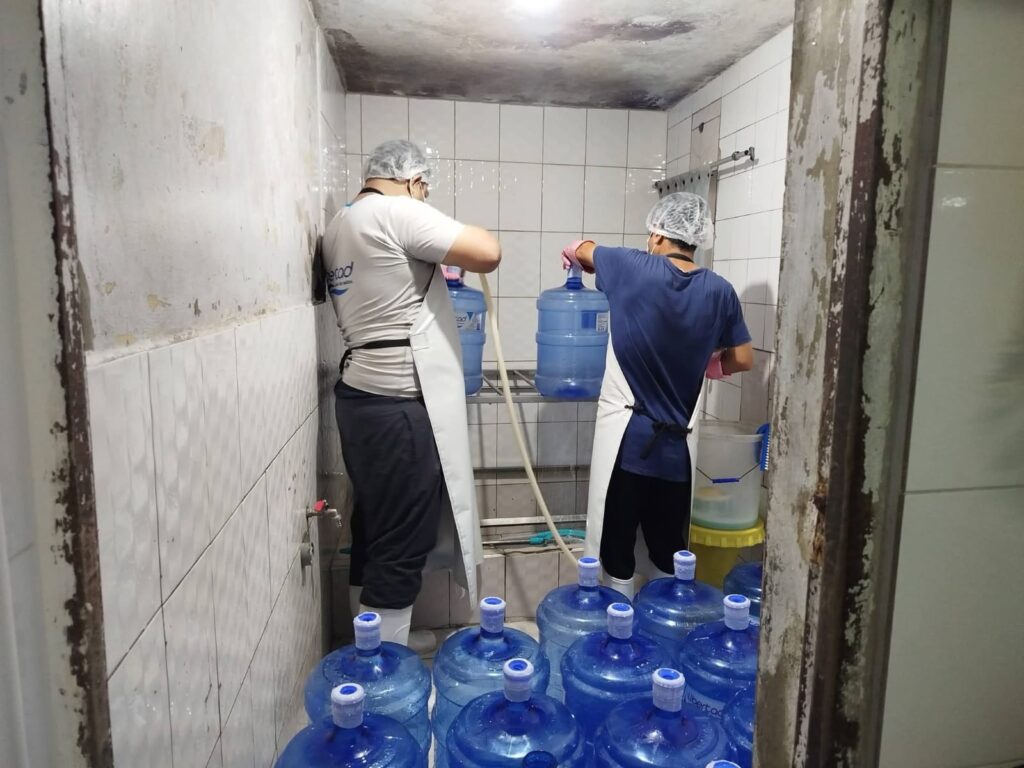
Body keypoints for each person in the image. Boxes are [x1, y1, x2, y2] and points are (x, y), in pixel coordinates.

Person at [322, 140, 501, 646]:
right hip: (398, 401)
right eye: (425, 190)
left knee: (375, 528)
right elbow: (487, 252)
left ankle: (372, 644)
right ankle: (385, 671)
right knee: (403, 540)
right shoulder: (396, 211)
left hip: (360, 396)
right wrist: (424, 209)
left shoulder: (342, 222)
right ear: (415, 181)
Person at [562, 192, 754, 599]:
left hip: (628, 446)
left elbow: (579, 248)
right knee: (668, 552)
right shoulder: (720, 291)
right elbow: (743, 358)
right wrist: (711, 366)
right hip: (677, 455)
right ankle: (663, 624)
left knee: (617, 552)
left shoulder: (631, 265)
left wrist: (579, 257)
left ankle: (620, 623)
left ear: (658, 234)